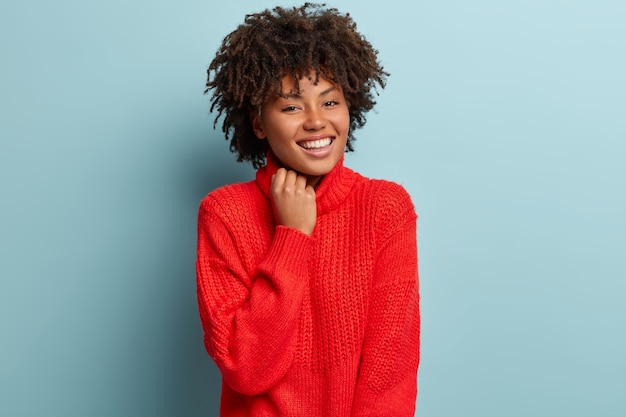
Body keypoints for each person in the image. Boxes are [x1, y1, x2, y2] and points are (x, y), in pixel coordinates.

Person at [196, 3, 420, 416]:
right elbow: (246, 370)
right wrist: (292, 238)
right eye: (292, 107)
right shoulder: (225, 213)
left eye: (330, 102)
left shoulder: (385, 208)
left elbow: (390, 374)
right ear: (259, 123)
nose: (317, 122)